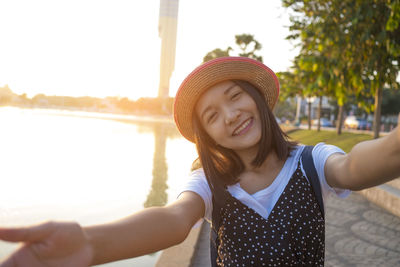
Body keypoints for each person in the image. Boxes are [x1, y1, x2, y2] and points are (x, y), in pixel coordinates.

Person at [0, 57, 399, 266]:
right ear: (207, 136)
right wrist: (90, 243)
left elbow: (357, 167)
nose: (229, 115)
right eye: (210, 115)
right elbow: (174, 222)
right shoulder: (209, 182)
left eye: (235, 96)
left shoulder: (311, 162)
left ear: (256, 98)